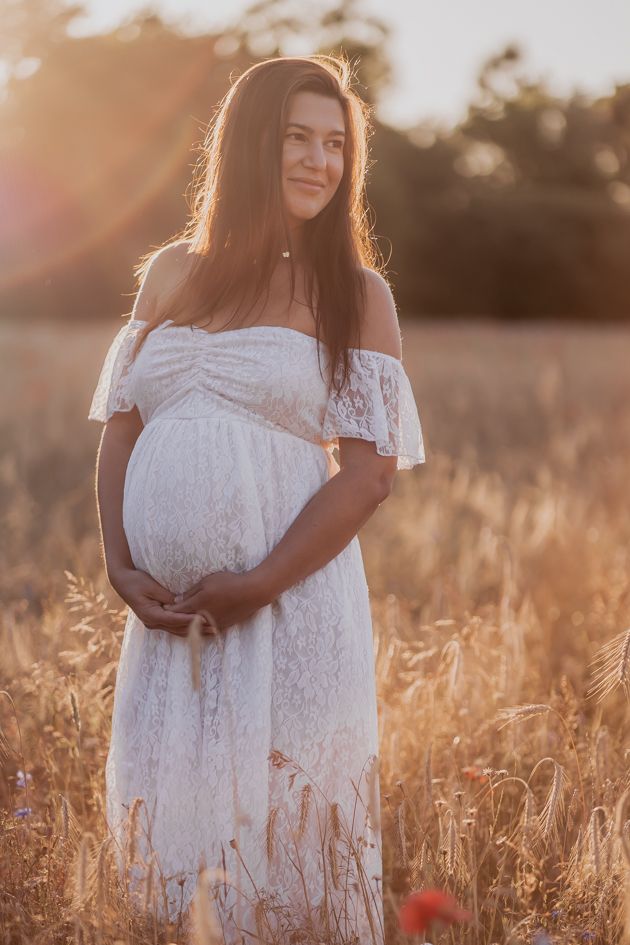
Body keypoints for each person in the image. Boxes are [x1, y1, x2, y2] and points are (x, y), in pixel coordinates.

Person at [88, 54, 425, 944]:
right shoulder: (169, 272)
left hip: (288, 610)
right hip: (168, 625)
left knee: (286, 846)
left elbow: (368, 473)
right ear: (246, 147)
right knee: (174, 843)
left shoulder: (356, 294)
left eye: (337, 145)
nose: (322, 163)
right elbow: (121, 427)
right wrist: (122, 566)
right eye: (298, 140)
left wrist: (261, 581)